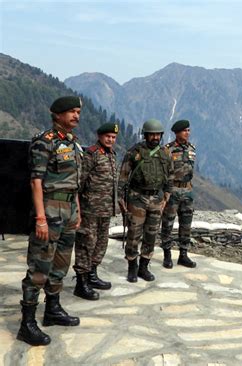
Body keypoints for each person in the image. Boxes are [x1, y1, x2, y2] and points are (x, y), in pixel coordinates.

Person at [17, 96, 83, 346]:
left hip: (69, 211)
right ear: (57, 115)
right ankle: (27, 323)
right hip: (50, 210)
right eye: (71, 112)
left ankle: (52, 310)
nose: (76, 116)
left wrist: (77, 209)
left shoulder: (73, 143)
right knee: (39, 267)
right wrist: (41, 218)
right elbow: (36, 181)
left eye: (78, 112)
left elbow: (74, 181)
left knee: (61, 264)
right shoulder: (45, 142)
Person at [118, 119, 172, 282]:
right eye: (152, 134)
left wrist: (166, 196)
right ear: (146, 135)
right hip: (137, 199)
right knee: (134, 233)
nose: (155, 137)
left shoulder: (165, 153)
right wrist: (121, 199)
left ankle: (144, 266)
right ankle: (132, 267)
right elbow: (123, 176)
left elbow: (170, 176)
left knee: (151, 234)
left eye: (157, 134)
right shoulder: (134, 152)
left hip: (157, 198)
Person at [73, 123, 119, 300]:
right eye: (107, 136)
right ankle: (81, 282)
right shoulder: (91, 154)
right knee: (86, 243)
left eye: (113, 137)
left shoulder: (112, 155)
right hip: (90, 209)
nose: (110, 140)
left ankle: (92, 274)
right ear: (99, 136)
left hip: (106, 209)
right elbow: (80, 181)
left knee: (101, 242)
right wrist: (78, 206)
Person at [160, 119, 197, 269]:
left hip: (187, 190)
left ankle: (183, 254)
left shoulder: (192, 148)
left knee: (186, 223)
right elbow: (163, 172)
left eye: (188, 130)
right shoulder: (168, 150)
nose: (187, 133)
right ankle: (167, 254)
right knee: (168, 223)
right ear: (177, 133)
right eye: (184, 131)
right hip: (173, 190)